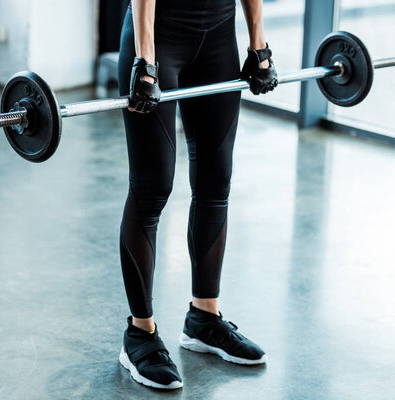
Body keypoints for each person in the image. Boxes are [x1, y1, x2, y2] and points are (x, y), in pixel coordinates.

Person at [117, 0, 277, 389]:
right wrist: (146, 60)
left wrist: (259, 47)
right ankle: (140, 334)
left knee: (215, 180)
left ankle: (204, 318)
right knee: (153, 187)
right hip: (157, 33)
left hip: (218, 34)